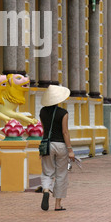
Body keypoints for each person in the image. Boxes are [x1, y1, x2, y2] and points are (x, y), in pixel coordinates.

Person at [39, 84, 75, 212]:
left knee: (47, 171)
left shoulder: (42, 112)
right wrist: (70, 150)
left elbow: (44, 129)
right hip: (60, 145)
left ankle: (46, 190)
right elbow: (65, 132)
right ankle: (57, 204)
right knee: (61, 174)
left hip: (47, 144)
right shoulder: (63, 113)